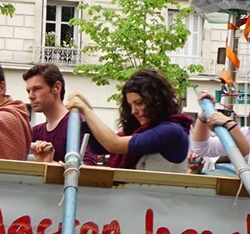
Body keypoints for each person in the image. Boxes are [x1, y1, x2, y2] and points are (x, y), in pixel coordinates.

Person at [64, 68, 192, 172]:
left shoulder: (171, 131)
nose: (133, 111)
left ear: (157, 100)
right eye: (131, 105)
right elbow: (99, 146)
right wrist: (86, 115)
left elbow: (113, 144)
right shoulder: (142, 131)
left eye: (139, 103)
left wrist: (87, 111)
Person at [23, 63, 70, 162]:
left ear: (56, 88)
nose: (30, 96)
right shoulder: (34, 132)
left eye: (37, 89)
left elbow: (90, 170)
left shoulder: (77, 124)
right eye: (28, 91)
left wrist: (49, 163)